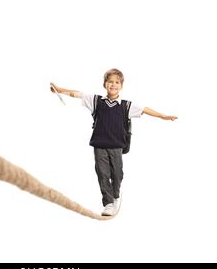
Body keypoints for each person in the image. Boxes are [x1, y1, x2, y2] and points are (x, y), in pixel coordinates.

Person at [50, 69, 177, 216]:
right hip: (99, 145)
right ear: (105, 84)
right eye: (110, 81)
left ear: (121, 85)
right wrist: (59, 90)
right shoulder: (96, 101)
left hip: (116, 146)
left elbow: (145, 109)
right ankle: (108, 203)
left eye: (117, 82)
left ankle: (115, 195)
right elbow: (77, 94)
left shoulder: (126, 105)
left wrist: (163, 116)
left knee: (117, 174)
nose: (113, 84)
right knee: (102, 173)